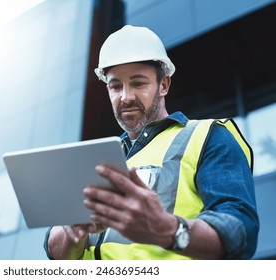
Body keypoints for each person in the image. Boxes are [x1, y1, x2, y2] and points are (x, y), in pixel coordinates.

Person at [43, 25, 259, 260]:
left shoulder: (206, 136)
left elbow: (240, 233)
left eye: (138, 83)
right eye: (116, 86)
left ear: (163, 85)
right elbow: (57, 255)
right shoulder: (94, 162)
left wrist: (168, 229)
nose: (126, 96)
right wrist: (72, 231)